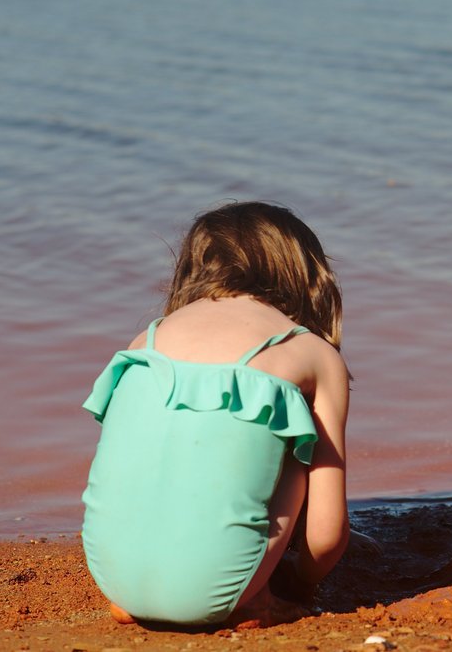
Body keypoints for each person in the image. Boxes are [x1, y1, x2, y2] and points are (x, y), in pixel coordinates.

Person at [81, 201, 350, 626]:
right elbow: (326, 536)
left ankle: (141, 598)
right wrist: (301, 581)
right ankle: (254, 597)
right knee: (301, 452)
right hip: (218, 591)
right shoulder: (310, 354)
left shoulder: (145, 342)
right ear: (305, 275)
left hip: (111, 576)